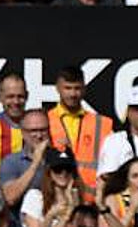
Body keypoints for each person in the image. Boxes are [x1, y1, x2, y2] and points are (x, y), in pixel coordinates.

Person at [46, 65, 112, 197]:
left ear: (84, 89)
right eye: (67, 88)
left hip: (91, 198)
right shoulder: (45, 120)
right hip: (55, 198)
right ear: (58, 88)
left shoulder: (103, 124)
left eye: (77, 88)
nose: (72, 94)